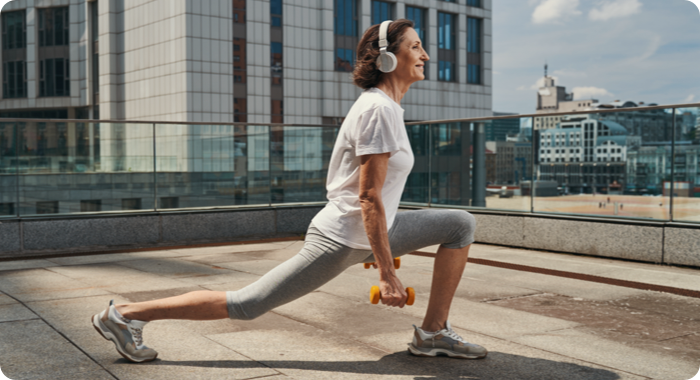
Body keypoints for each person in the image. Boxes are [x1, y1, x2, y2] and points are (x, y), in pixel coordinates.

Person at [91, 19, 486, 363]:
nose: (426, 55)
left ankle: (433, 334)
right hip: (342, 237)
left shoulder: (388, 108)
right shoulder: (378, 111)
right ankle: (124, 315)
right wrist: (387, 272)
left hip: (372, 231)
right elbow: (368, 197)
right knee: (247, 305)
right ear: (386, 57)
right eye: (415, 47)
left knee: (458, 224)